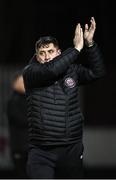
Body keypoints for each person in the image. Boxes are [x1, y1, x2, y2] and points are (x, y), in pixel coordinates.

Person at [23, 17, 105, 179]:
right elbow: (51, 71)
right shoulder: (31, 72)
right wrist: (75, 49)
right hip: (41, 150)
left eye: (50, 52)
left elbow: (98, 73)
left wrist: (89, 45)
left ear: (59, 52)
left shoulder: (72, 71)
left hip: (71, 148)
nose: (46, 57)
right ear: (37, 56)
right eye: (42, 53)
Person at [7, 73, 28, 178]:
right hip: (19, 147)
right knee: (21, 175)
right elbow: (20, 120)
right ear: (14, 84)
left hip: (32, 147)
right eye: (21, 81)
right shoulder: (12, 101)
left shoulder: (30, 99)